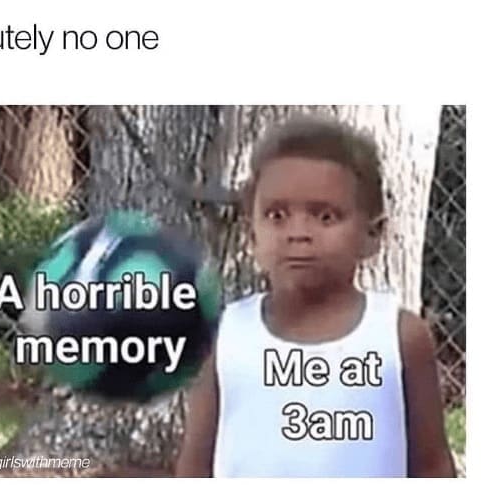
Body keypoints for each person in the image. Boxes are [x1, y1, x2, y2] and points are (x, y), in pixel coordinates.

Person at [175, 115, 455, 478]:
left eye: (325, 216)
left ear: (372, 234)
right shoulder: (224, 334)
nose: (298, 233)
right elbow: (195, 467)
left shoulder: (400, 338)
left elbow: (433, 467)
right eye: (277, 215)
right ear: (252, 235)